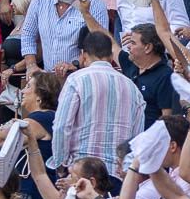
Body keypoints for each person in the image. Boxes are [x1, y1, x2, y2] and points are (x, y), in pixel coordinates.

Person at [52, 31, 145, 175]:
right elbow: (137, 138)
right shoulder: (132, 88)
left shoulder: (76, 80)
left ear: (83, 55)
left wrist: (61, 165)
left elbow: (61, 127)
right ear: (110, 56)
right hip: (117, 175)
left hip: (81, 172)